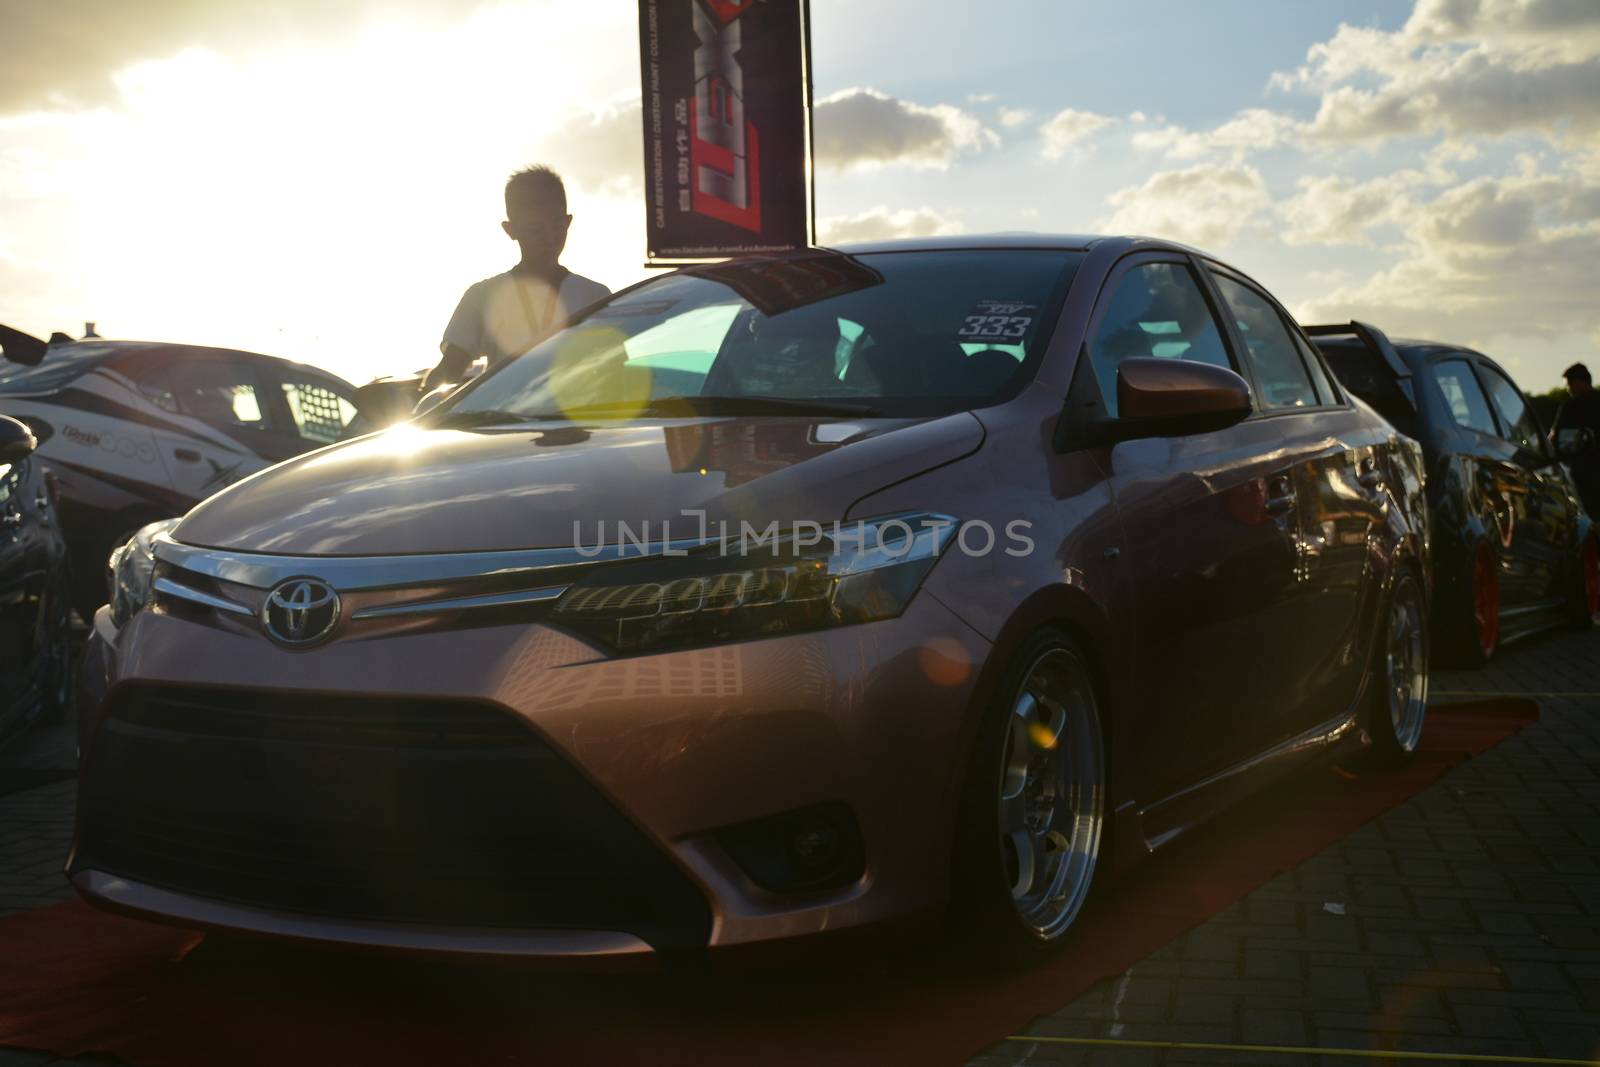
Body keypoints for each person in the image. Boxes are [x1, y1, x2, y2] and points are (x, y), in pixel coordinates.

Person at [425, 166, 610, 393]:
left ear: (568, 222)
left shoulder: (595, 296)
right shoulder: (483, 296)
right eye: (535, 229)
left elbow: (613, 371)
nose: (550, 237)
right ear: (510, 230)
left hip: (574, 424)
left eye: (557, 226)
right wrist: (423, 406)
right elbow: (449, 369)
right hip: (503, 423)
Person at [1552, 361, 1600, 517]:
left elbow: (1554, 438)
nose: (1569, 388)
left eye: (1570, 383)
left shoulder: (1572, 406)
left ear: (1580, 382)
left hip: (1580, 475)